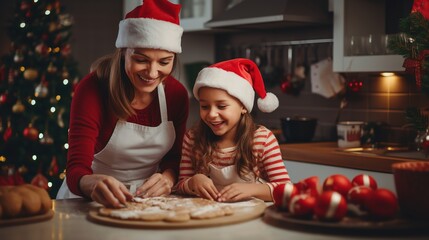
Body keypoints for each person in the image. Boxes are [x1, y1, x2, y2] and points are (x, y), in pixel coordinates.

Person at [56, 0, 189, 208]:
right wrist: (89, 183)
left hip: (148, 202)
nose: (152, 73)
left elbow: (175, 159)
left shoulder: (176, 94)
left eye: (164, 62)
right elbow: (76, 169)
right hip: (88, 201)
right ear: (123, 52)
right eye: (141, 60)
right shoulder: (92, 89)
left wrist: (168, 178)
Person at [175, 58, 290, 202]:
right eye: (204, 106)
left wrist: (252, 189)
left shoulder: (262, 140)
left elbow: (286, 189)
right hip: (208, 215)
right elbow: (180, 185)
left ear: (243, 106)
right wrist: (192, 182)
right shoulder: (192, 138)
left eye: (221, 106)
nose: (211, 114)